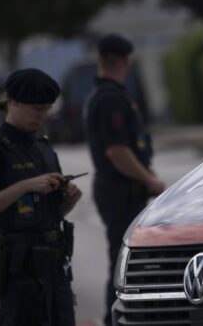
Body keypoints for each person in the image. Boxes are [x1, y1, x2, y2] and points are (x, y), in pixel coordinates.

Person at [0, 68, 82, 326]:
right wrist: (25, 186)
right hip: (21, 273)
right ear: (14, 101)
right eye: (37, 109)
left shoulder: (43, 145)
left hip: (56, 266)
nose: (43, 116)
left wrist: (68, 200)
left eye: (48, 109)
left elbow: (48, 213)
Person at [84, 34, 165, 326]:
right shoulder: (110, 100)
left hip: (123, 189)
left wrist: (148, 174)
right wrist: (151, 180)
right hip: (120, 191)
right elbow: (118, 152)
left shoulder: (109, 96)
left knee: (129, 260)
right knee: (123, 262)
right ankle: (113, 320)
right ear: (123, 61)